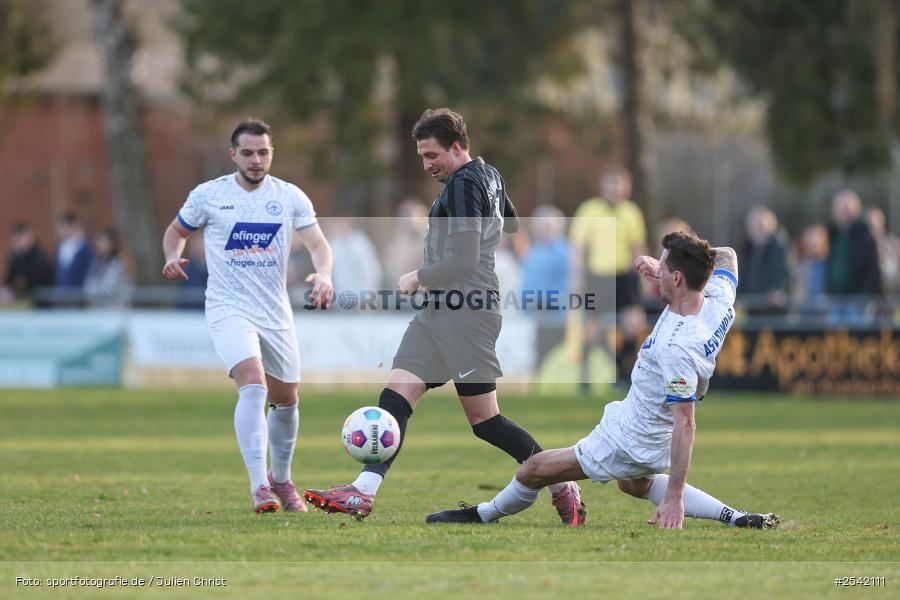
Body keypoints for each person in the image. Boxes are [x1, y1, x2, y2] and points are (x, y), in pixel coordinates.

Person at [303, 108, 585, 525]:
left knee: (486, 422)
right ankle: (362, 492)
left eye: (432, 155)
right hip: (441, 310)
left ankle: (562, 483)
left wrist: (419, 275)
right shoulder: (488, 174)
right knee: (396, 395)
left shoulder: (465, 184)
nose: (427, 164)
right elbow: (510, 224)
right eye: (421, 156)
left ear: (456, 147)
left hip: (467, 311)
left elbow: (467, 258)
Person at [425, 231, 778, 531]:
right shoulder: (717, 300)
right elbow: (728, 256)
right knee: (634, 483)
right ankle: (738, 518)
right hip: (649, 429)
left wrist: (674, 499)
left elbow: (686, 421)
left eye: (664, 265)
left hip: (629, 438)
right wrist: (665, 269)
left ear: (678, 279)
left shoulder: (678, 348)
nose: (656, 267)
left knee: (535, 470)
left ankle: (482, 515)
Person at [162, 118, 334, 513]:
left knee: (286, 400)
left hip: (274, 310)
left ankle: (282, 478)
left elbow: (319, 245)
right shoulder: (209, 195)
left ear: (272, 153)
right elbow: (175, 231)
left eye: (263, 152)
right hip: (228, 307)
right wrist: (172, 256)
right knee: (253, 383)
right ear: (233, 155)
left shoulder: (290, 197)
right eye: (248, 153)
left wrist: (324, 273)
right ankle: (260, 486)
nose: (256, 160)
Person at [569, 165, 647, 390]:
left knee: (632, 323)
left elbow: (637, 246)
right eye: (611, 184)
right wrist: (577, 277)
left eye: (620, 185)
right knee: (590, 327)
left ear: (627, 188)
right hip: (596, 275)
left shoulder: (632, 212)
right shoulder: (589, 209)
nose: (615, 190)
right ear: (603, 187)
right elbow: (579, 247)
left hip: (623, 275)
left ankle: (623, 374)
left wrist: (646, 277)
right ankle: (585, 379)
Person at [825, 190, 881, 324]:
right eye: (840, 209)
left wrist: (864, 297)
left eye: (847, 209)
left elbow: (873, 271)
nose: (844, 214)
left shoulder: (865, 236)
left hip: (857, 303)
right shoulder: (833, 236)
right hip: (836, 301)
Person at [738, 206, 789, 314]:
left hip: (775, 311)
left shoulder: (780, 249)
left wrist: (778, 291)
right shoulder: (746, 249)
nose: (757, 230)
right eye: (754, 226)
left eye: (761, 226)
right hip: (751, 309)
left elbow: (787, 275)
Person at [2, 221, 53, 305]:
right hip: (27, 300)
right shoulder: (16, 256)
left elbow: (36, 280)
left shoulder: (39, 256)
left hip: (42, 301)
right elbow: (9, 279)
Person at [84, 226, 132, 308]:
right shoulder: (97, 262)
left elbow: (107, 290)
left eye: (102, 241)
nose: (99, 244)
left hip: (116, 312)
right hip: (100, 312)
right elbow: (87, 287)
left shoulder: (119, 262)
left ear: (112, 243)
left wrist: (94, 292)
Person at [53, 212, 94, 305]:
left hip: (77, 297)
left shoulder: (84, 248)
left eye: (64, 226)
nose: (61, 230)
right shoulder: (60, 247)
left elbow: (87, 273)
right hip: (61, 297)